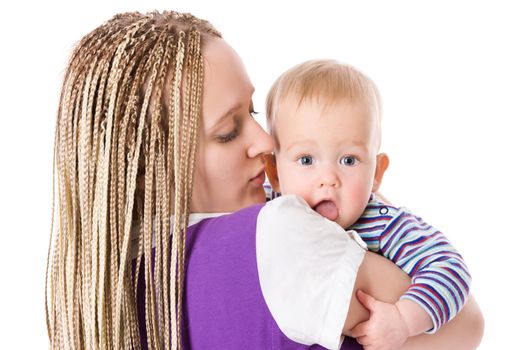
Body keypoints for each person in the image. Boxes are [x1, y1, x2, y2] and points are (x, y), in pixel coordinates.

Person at [45, 11, 483, 350]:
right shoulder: (281, 232)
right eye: (228, 131)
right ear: (148, 172)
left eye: (253, 112)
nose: (267, 141)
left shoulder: (109, 286)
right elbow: (467, 325)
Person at [263, 59, 474, 348]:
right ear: (274, 173)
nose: (328, 178)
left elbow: (450, 269)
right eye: (306, 160)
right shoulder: (268, 207)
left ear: (376, 173)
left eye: (348, 160)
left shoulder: (385, 224)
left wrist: (403, 318)